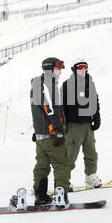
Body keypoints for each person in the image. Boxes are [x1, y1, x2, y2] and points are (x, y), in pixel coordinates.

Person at [30, 57, 71, 208]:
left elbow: (37, 110)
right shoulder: (48, 85)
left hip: (41, 135)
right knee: (61, 164)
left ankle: (40, 196)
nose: (60, 72)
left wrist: (38, 130)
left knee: (42, 165)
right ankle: (61, 196)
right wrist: (58, 130)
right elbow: (50, 108)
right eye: (58, 68)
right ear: (50, 69)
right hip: (52, 134)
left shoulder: (36, 85)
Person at [62, 59, 102, 190]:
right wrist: (63, 124)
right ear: (74, 69)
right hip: (74, 125)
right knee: (71, 153)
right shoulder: (67, 85)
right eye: (80, 68)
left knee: (91, 152)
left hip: (87, 125)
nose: (83, 70)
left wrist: (97, 119)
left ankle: (91, 177)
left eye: (85, 68)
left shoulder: (90, 84)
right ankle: (64, 179)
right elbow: (61, 106)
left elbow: (95, 102)